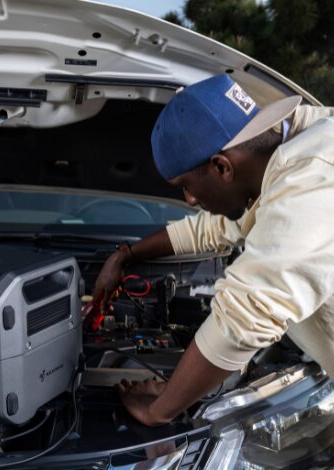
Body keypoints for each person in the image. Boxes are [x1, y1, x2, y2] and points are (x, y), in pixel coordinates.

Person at [93, 74, 334, 426]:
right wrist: (126, 254)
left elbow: (247, 313)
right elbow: (216, 227)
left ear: (222, 166)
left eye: (186, 187)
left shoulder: (316, 177)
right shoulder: (279, 152)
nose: (190, 201)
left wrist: (160, 409)